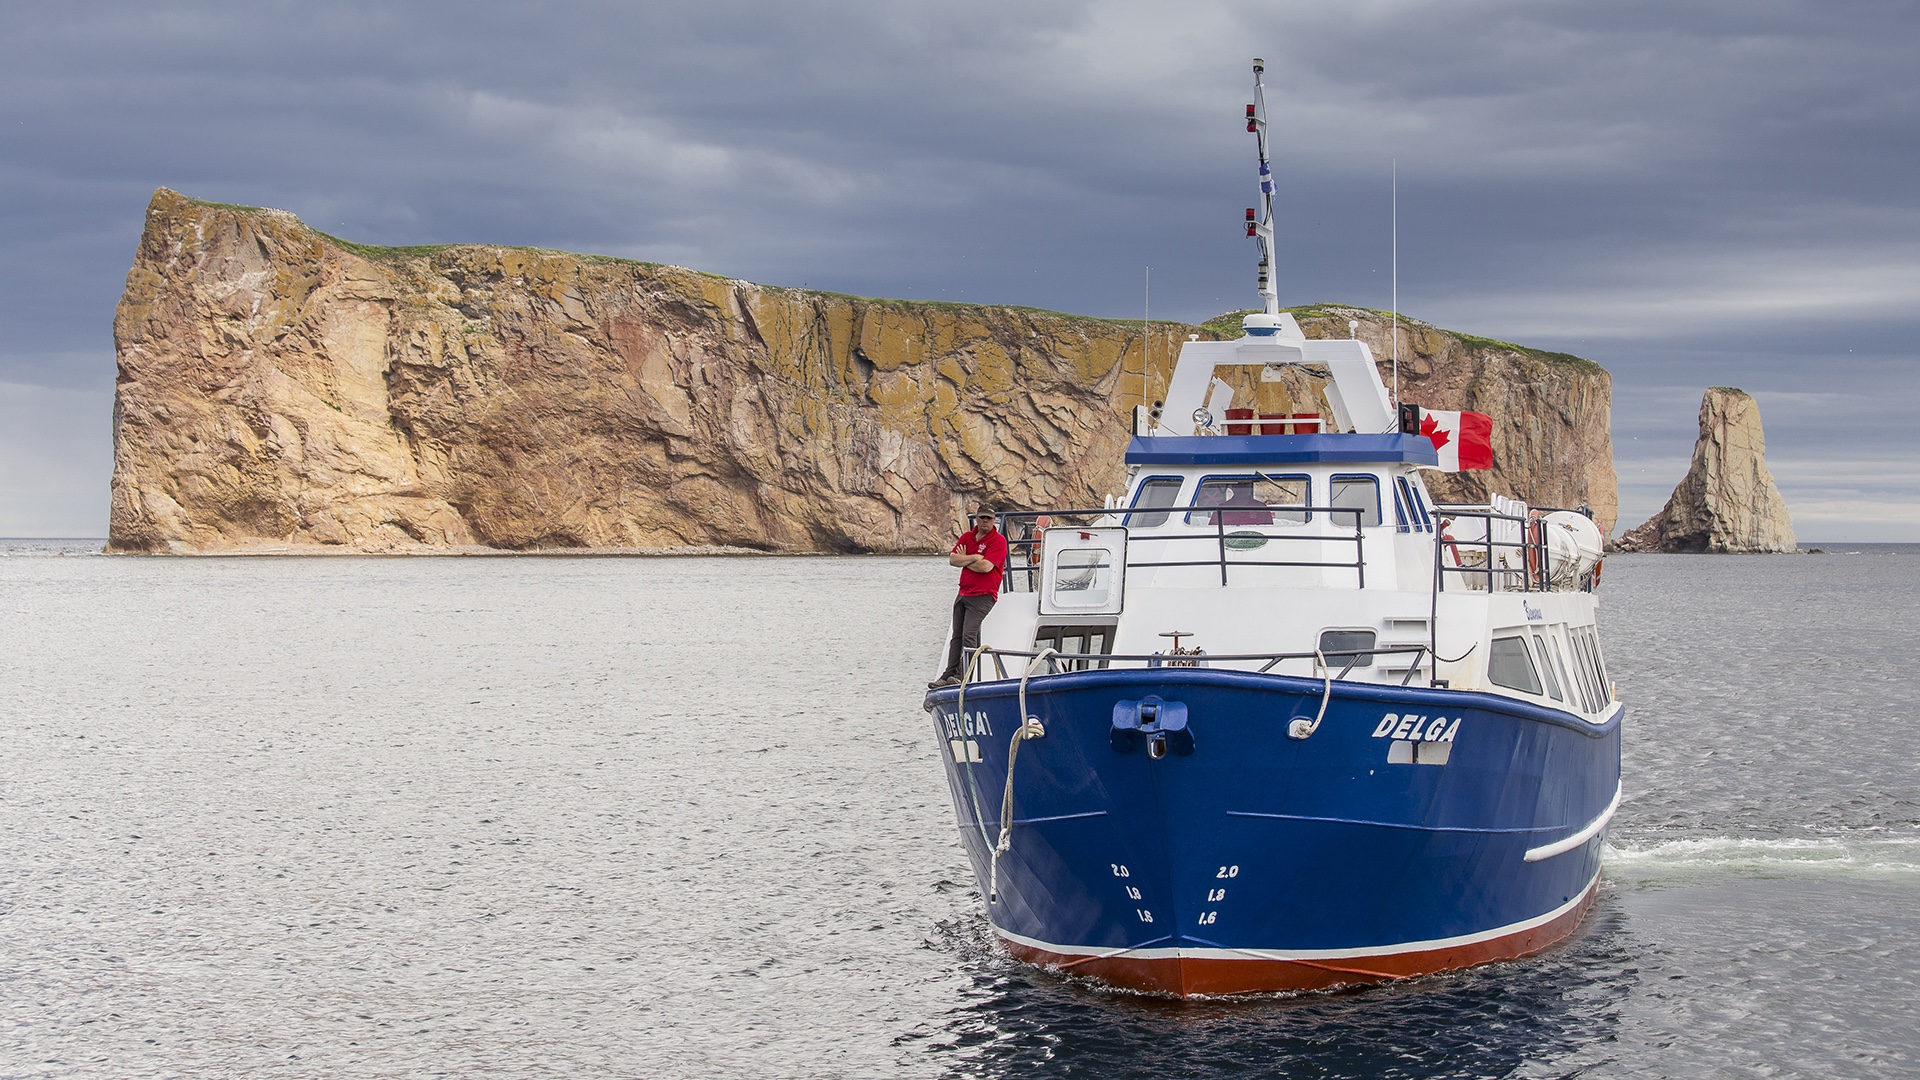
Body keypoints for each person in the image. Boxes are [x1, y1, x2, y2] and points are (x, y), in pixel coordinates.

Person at [930, 509, 1008, 689]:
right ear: (977, 519)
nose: (985, 521)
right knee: (956, 636)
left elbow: (986, 567)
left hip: (984, 595)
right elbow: (953, 560)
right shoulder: (967, 537)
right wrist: (974, 557)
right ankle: (948, 674)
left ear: (994, 520)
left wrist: (965, 560)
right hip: (963, 593)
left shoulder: (998, 541)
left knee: (969, 634)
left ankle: (964, 674)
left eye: (989, 518)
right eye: (982, 517)